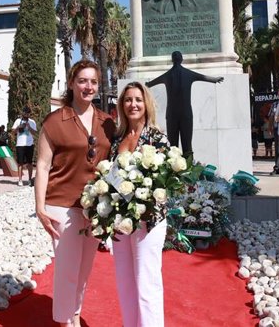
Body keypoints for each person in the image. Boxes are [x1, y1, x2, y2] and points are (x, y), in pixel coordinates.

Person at [34, 60, 116, 327]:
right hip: (61, 204)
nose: (88, 86)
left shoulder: (107, 123)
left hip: (94, 207)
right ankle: (64, 320)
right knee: (67, 268)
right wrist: (40, 208)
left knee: (83, 269)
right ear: (71, 83)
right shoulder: (54, 121)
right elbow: (43, 165)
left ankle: (75, 312)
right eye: (82, 80)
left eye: (93, 81)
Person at [110, 81, 169, 327]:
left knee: (147, 284)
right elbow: (110, 178)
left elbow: (165, 182)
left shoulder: (157, 137)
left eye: (138, 99)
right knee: (125, 284)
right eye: (128, 100)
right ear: (122, 105)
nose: (133, 104)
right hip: (121, 222)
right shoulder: (118, 139)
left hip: (149, 220)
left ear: (146, 104)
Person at [145, 51, 223, 157]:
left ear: (172, 60)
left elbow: (151, 83)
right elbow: (203, 77)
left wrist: (147, 84)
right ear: (181, 59)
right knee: (186, 146)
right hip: (185, 114)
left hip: (172, 114)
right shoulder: (188, 73)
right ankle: (189, 170)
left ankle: (175, 171)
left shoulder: (167, 75)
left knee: (173, 147)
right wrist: (215, 79)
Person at [12, 106, 38, 186]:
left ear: (29, 114)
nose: (26, 114)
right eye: (25, 113)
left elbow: (35, 133)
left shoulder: (32, 122)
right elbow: (13, 131)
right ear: (22, 113)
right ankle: (20, 180)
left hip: (29, 144)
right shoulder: (18, 121)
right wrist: (19, 127)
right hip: (20, 144)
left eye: (28, 113)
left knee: (29, 163)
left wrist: (29, 127)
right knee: (20, 163)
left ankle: (30, 179)